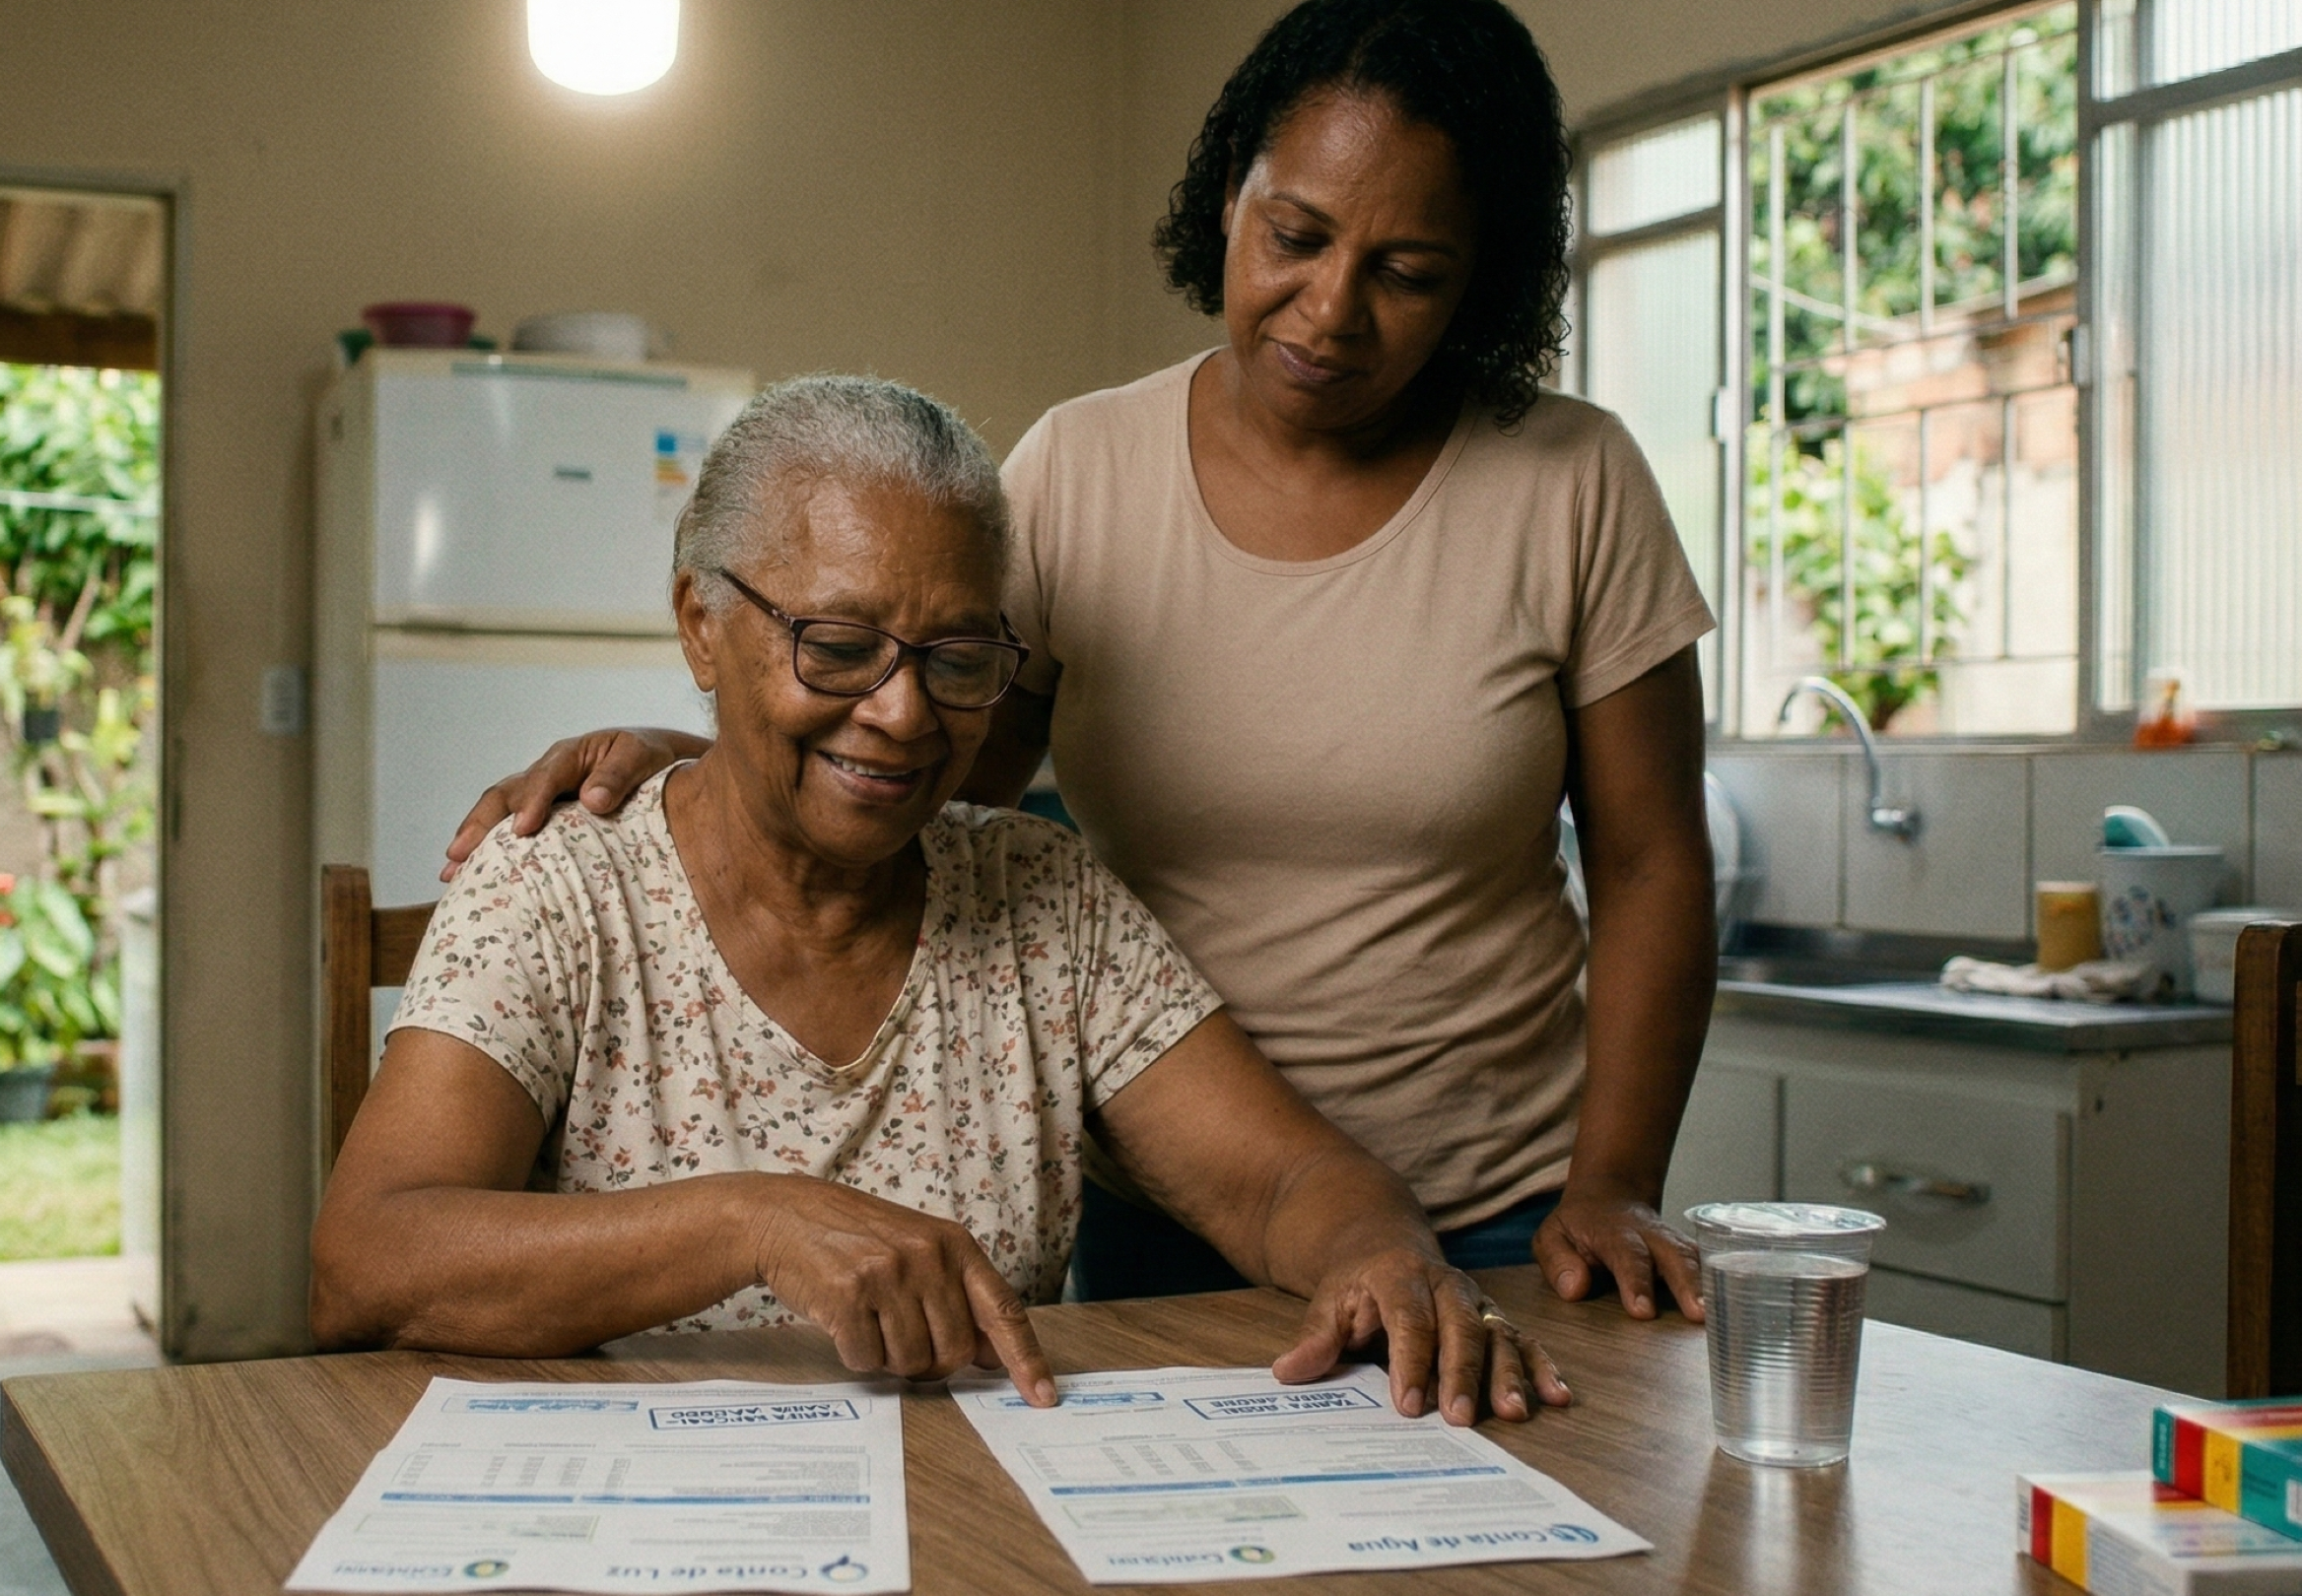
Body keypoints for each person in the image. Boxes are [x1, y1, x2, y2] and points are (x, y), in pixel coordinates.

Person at [440, 0, 1721, 1324]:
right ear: (1231, 197)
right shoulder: (1079, 472)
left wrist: (1613, 1180)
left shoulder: (1572, 483)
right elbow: (924, 759)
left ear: (1479, 277)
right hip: (1161, 1179)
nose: (1331, 310)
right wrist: (707, 765)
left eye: (1407, 271)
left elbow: (1651, 860)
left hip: (1499, 1189)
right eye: (1296, 236)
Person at [314, 375, 1568, 1427]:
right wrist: (757, 1223)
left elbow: (1283, 1178)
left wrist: (1379, 1256)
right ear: (702, 626)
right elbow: (367, 1263)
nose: (904, 715)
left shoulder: (1040, 893)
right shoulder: (559, 888)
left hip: (972, 1526)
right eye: (840, 647)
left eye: (958, 659)